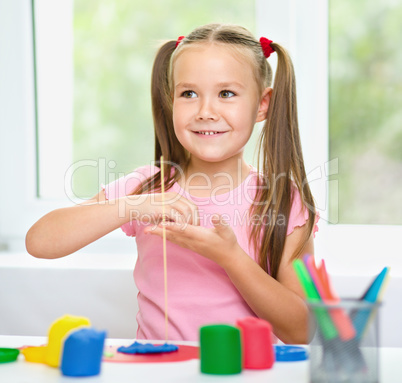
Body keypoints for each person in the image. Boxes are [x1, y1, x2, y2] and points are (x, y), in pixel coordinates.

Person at [26, 23, 319, 343]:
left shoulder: (283, 202)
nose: (206, 111)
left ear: (262, 104)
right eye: (189, 93)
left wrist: (230, 257)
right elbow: (40, 242)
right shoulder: (146, 189)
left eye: (226, 94)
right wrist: (131, 205)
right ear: (171, 101)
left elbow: (303, 331)